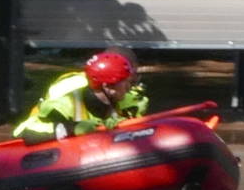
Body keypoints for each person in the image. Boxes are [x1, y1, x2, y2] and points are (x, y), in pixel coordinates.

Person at [16, 48, 148, 141]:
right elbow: (22, 131)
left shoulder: (125, 100)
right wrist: (72, 129)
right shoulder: (65, 102)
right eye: (126, 82)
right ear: (107, 86)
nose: (129, 88)